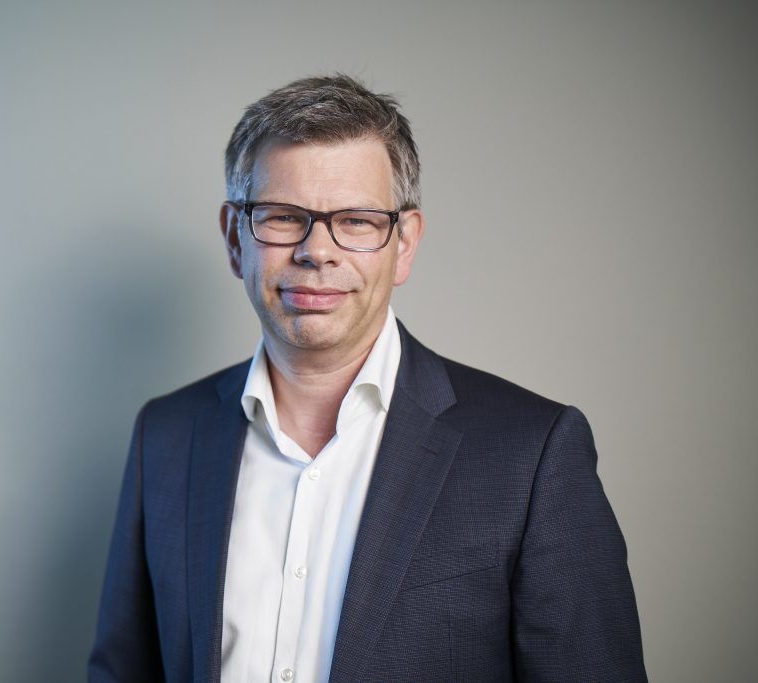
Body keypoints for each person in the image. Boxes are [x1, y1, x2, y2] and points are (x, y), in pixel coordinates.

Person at [88, 75, 647, 682]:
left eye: (355, 221)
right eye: (282, 216)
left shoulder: (531, 451)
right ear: (234, 237)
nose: (316, 251)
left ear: (403, 244)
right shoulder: (166, 436)